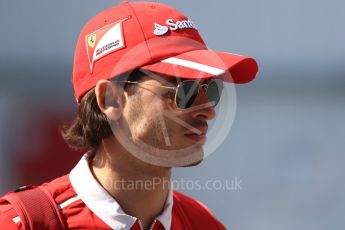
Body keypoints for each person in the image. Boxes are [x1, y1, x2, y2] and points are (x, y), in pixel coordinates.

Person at [0, 1, 258, 229]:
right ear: (110, 99)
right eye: (185, 90)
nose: (209, 111)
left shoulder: (202, 224)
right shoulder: (27, 222)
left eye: (211, 89)